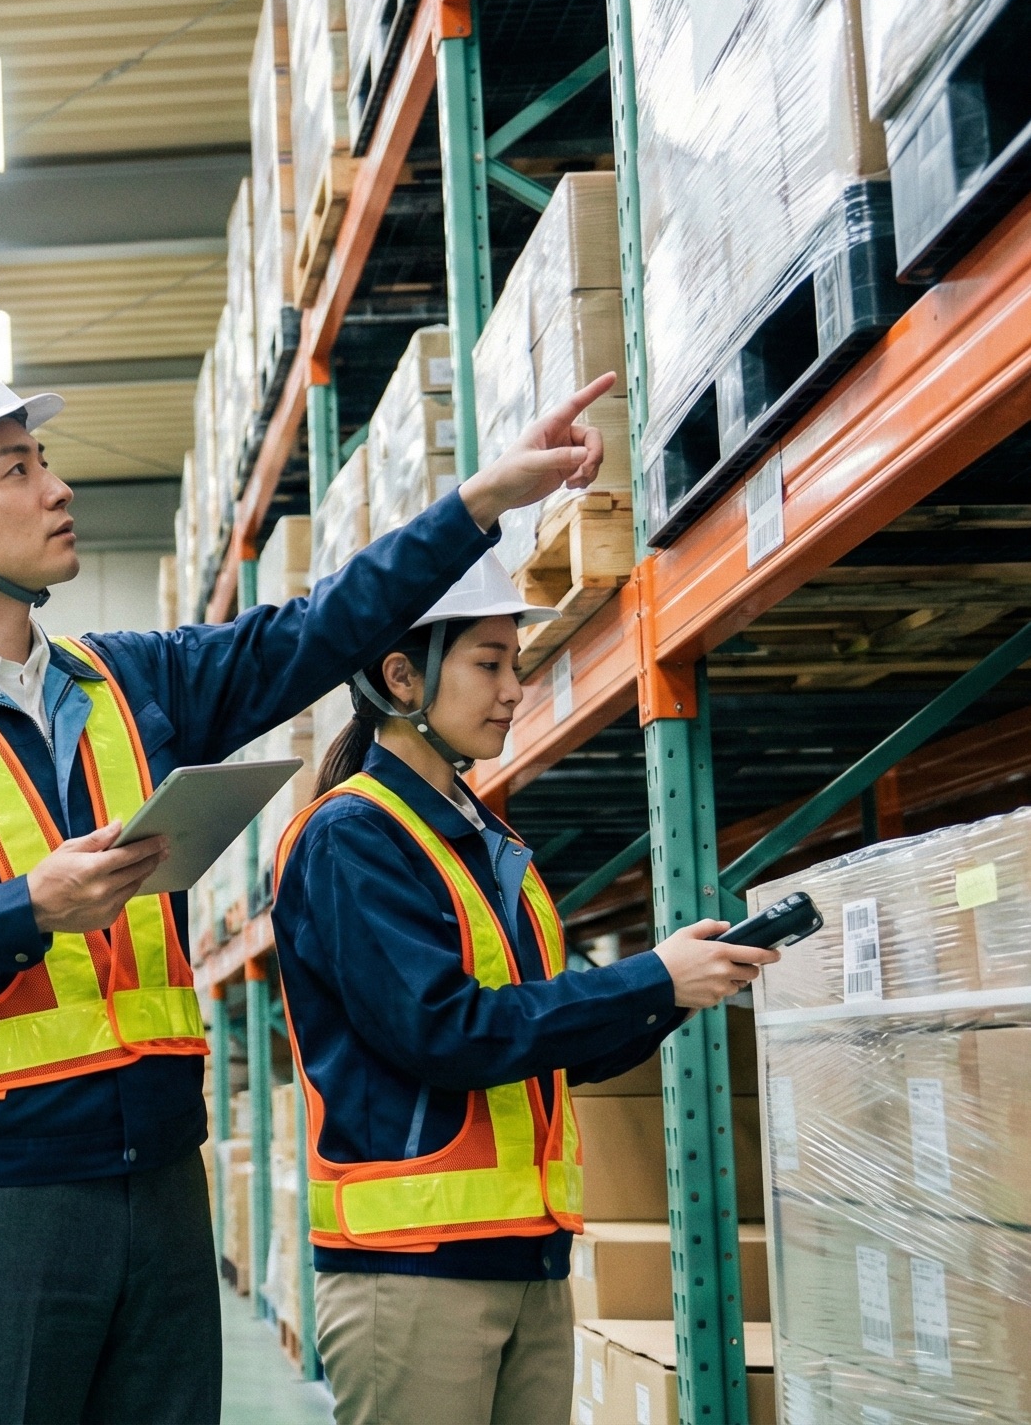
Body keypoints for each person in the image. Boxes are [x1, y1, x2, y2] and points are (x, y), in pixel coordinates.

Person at [0, 345, 617, 1425]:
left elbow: (318, 631)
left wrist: (478, 505)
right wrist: (24, 909)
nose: (57, 487)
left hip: (164, 1182)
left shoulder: (131, 682)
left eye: (43, 460)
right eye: (16, 468)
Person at [270, 557, 778, 1425]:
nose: (513, 689)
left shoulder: (488, 843)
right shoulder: (351, 836)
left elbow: (546, 1043)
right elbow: (444, 1032)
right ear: (401, 679)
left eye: (515, 663)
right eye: (488, 663)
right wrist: (649, 976)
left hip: (528, 1259)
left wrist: (672, 992)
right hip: (413, 1265)